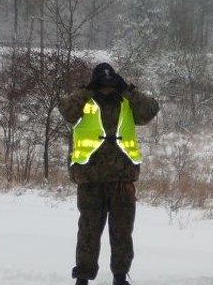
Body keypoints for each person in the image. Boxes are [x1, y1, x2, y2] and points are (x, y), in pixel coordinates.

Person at [59, 63, 159, 285]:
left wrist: (128, 90)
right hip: (90, 178)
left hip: (122, 179)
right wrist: (86, 90)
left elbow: (150, 110)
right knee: (88, 231)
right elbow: (67, 112)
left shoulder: (127, 102)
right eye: (101, 83)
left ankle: (120, 276)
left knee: (122, 232)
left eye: (110, 82)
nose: (106, 87)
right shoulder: (84, 101)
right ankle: (83, 277)